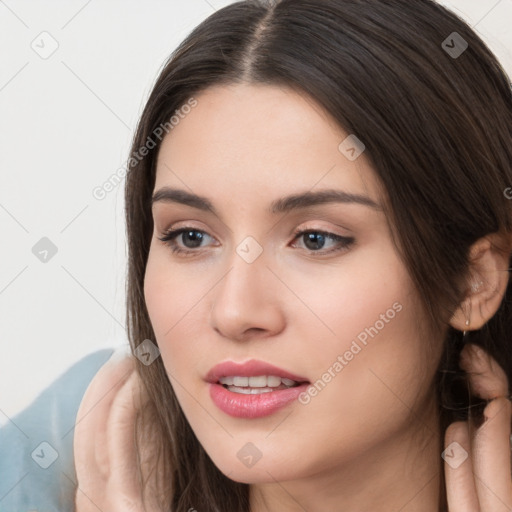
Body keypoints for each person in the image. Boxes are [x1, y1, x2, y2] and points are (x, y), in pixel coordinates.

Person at [8, 0, 512, 510]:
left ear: (473, 281)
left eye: (316, 239)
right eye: (190, 237)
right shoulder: (56, 456)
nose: (235, 312)